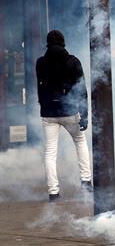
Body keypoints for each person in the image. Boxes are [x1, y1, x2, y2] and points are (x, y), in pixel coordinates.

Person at [35, 30, 92, 202]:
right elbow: (81, 90)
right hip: (69, 111)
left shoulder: (41, 62)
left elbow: (40, 87)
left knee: (50, 152)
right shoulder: (73, 61)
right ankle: (86, 183)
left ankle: (53, 192)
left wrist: (43, 105)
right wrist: (85, 114)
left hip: (48, 113)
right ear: (63, 42)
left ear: (47, 43)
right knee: (80, 142)